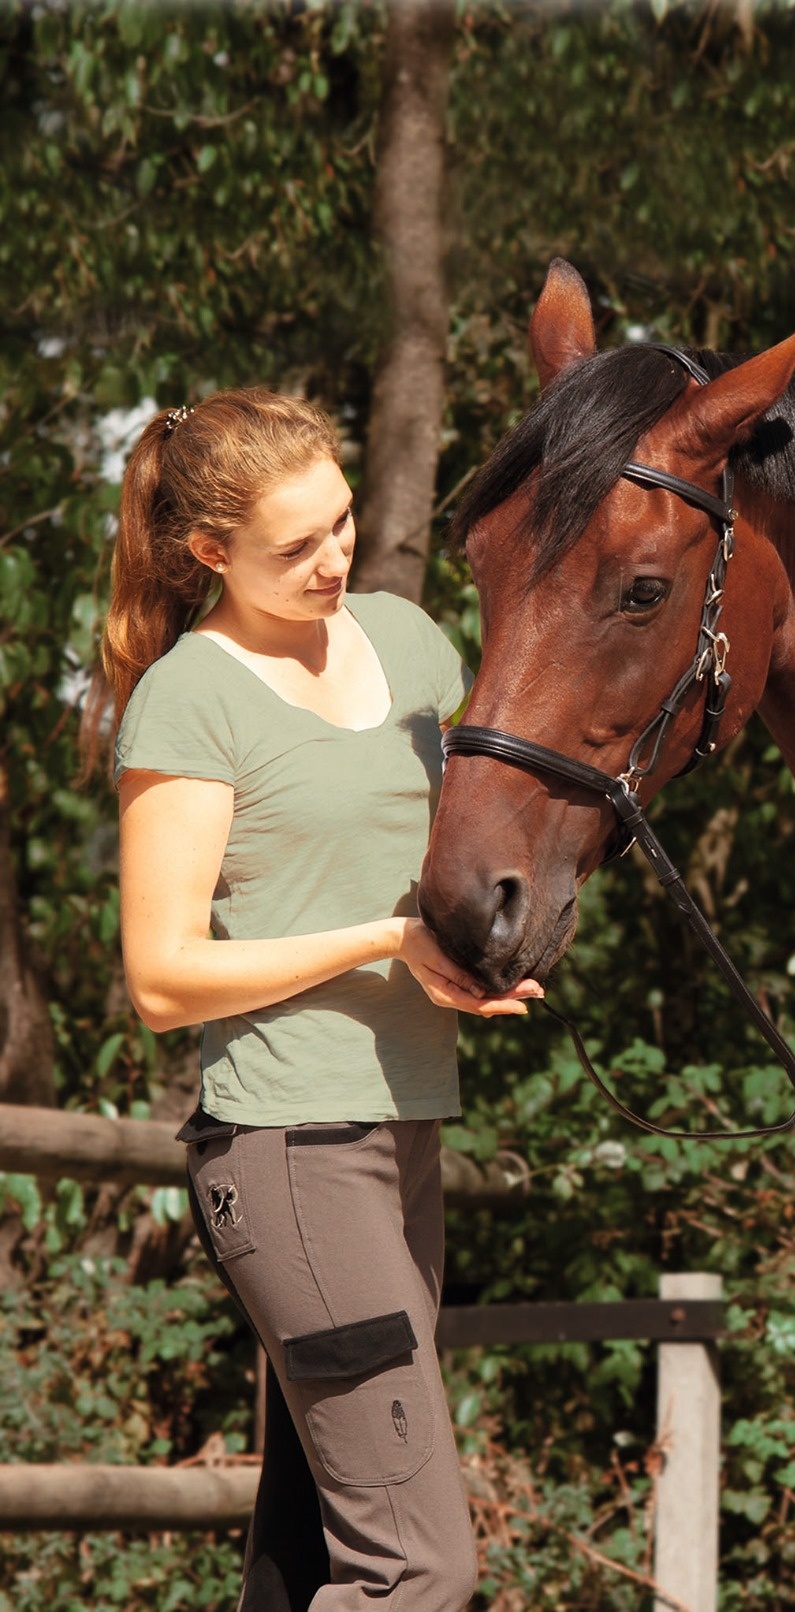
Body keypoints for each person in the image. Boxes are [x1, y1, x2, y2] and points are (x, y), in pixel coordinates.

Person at [86, 390, 539, 1610]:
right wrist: (383, 940)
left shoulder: (405, 642)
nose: (334, 557)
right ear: (208, 554)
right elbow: (162, 977)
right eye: (296, 547)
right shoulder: (194, 697)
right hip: (289, 1155)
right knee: (417, 1569)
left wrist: (485, 940)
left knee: (316, 1552)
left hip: (403, 1137)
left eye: (341, 523)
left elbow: (491, 826)